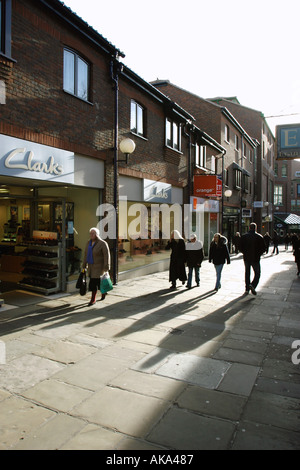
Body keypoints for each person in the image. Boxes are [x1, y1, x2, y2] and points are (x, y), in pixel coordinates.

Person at [82, 227, 111, 306]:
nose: (91, 235)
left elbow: (106, 255)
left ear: (97, 234)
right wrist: (84, 265)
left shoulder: (102, 243)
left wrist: (106, 266)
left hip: (99, 267)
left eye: (93, 233)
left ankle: (95, 298)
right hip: (91, 267)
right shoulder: (88, 243)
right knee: (94, 283)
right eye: (90, 233)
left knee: (96, 282)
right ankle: (98, 295)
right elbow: (85, 254)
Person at [239, 222, 266, 295]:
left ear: (249, 228)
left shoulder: (244, 236)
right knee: (257, 273)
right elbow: (264, 249)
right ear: (255, 228)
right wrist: (258, 254)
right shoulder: (259, 237)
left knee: (247, 273)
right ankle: (253, 285)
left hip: (247, 258)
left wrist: (245, 252)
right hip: (255, 258)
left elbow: (240, 247)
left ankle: (247, 289)